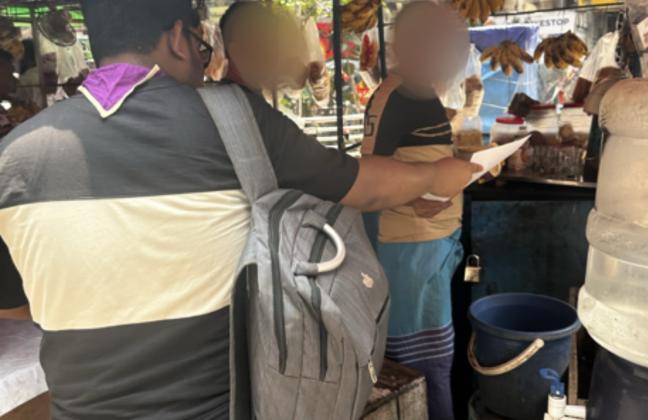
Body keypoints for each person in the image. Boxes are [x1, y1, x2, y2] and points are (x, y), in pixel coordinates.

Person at [0, 0, 480, 419]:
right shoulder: (230, 118)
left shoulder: (14, 158)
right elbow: (360, 185)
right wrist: (435, 176)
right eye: (201, 48)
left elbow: (15, 306)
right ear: (178, 39)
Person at [361, 2, 470, 419]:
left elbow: (417, 162)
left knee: (436, 359)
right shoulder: (396, 95)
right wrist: (414, 193)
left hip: (430, 249)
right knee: (421, 366)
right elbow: (368, 175)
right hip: (408, 250)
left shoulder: (422, 93)